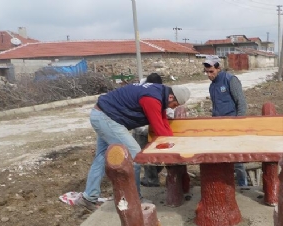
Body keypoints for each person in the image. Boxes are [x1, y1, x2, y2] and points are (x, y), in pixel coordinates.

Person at [76, 81, 190, 211]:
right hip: (107, 118)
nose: (174, 108)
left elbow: (163, 120)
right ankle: (134, 199)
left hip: (101, 114)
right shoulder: (152, 99)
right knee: (134, 157)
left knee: (101, 157)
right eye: (174, 105)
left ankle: (88, 197)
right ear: (171, 97)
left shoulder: (159, 93)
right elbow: (159, 128)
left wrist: (173, 140)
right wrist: (175, 147)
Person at [202, 55, 248, 187]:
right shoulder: (212, 87)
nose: (209, 75)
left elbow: (241, 103)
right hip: (218, 126)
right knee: (220, 155)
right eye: (207, 72)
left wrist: (239, 124)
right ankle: (223, 184)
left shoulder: (230, 80)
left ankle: (242, 184)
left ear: (218, 68)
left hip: (233, 124)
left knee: (236, 158)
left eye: (211, 71)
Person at [132, 73, 171, 187]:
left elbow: (163, 113)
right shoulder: (148, 93)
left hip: (147, 125)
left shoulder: (155, 91)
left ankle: (151, 178)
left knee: (151, 152)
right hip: (142, 127)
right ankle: (151, 179)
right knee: (145, 153)